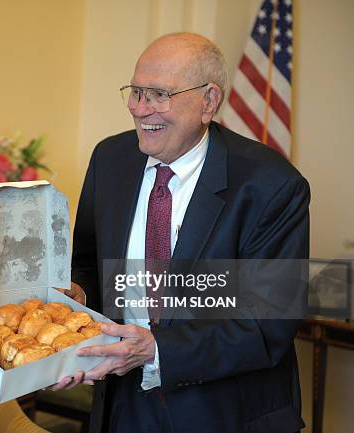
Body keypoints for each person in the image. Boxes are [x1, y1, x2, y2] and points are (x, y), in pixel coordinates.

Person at [56, 32, 309, 433]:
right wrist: (80, 293)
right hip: (123, 404)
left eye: (158, 94)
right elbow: (88, 263)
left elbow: (268, 324)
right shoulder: (110, 159)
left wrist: (156, 350)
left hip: (225, 412)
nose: (139, 109)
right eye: (136, 91)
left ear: (209, 101)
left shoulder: (271, 186)